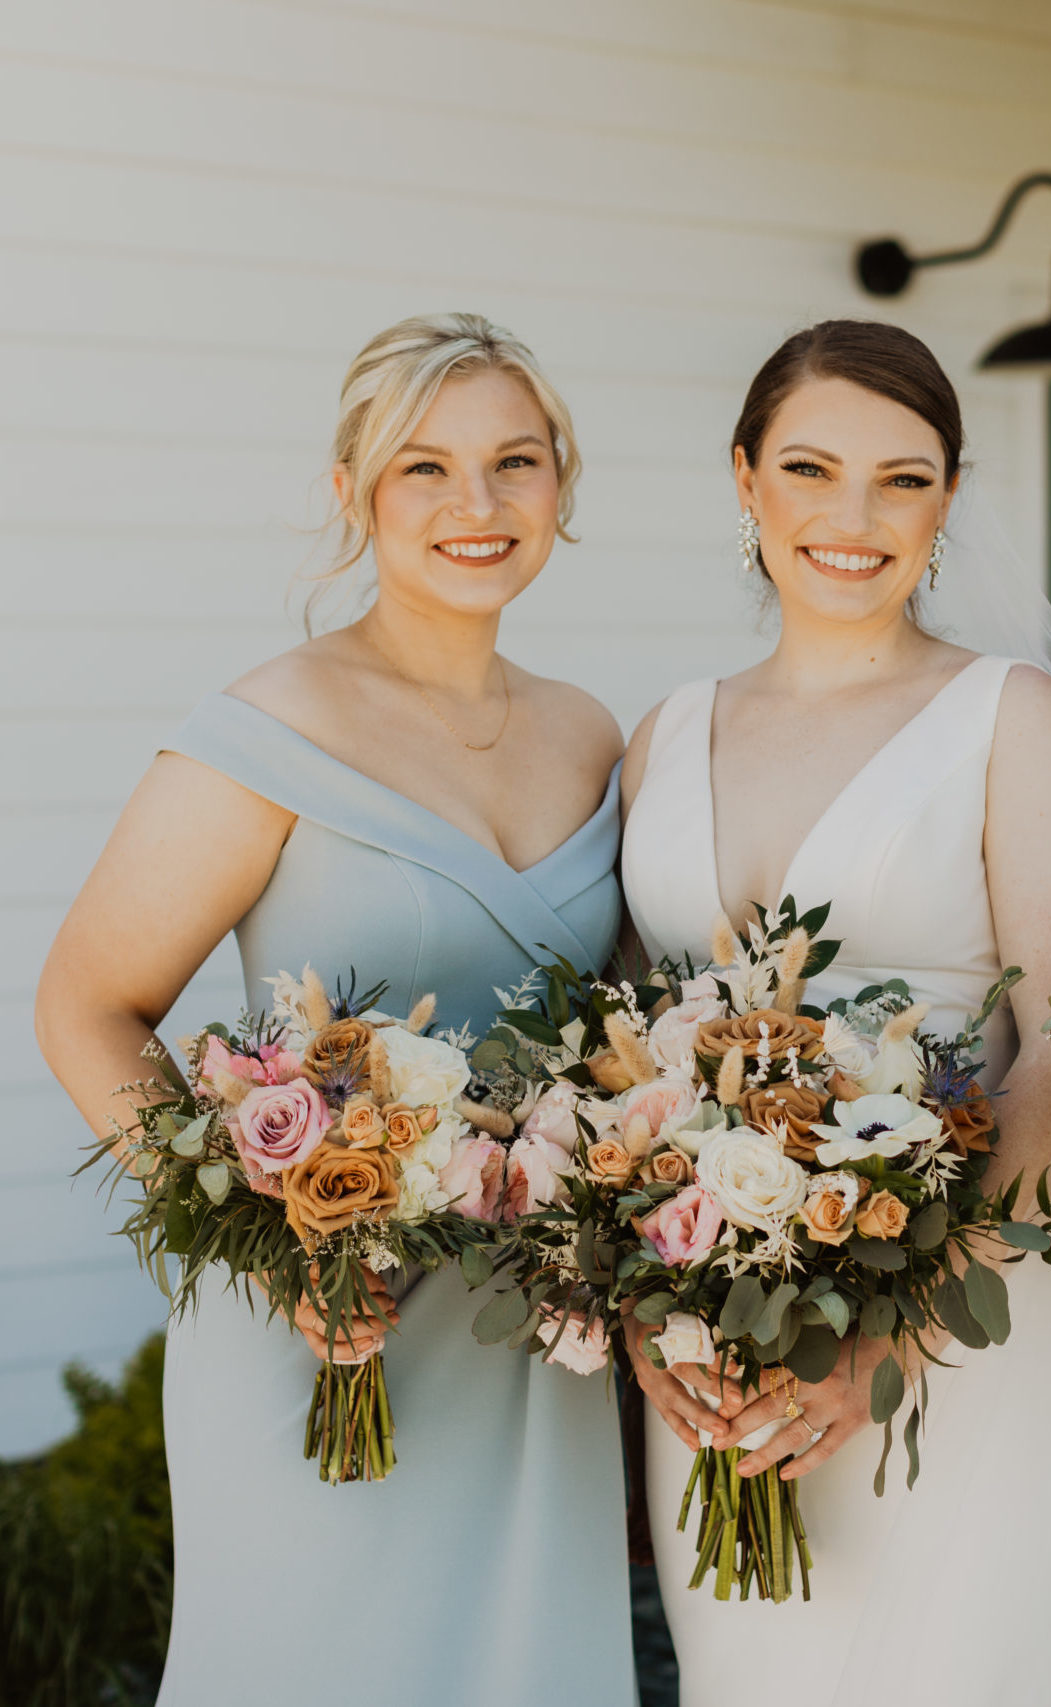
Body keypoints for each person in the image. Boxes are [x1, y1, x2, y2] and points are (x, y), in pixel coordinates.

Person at [35, 313, 638, 1706]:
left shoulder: (591, 734)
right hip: (326, 1334)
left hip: (530, 1339)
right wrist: (267, 1248)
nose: (477, 503)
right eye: (425, 466)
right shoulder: (268, 732)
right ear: (353, 492)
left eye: (515, 461)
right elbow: (86, 1005)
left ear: (560, 483)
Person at [619, 319, 1051, 1707]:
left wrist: (897, 1342)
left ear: (948, 500)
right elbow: (630, 1063)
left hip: (954, 1334)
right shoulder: (665, 732)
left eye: (902, 480)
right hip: (719, 1350)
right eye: (810, 469)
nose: (853, 520)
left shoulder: (1008, 717)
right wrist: (648, 1311)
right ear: (744, 478)